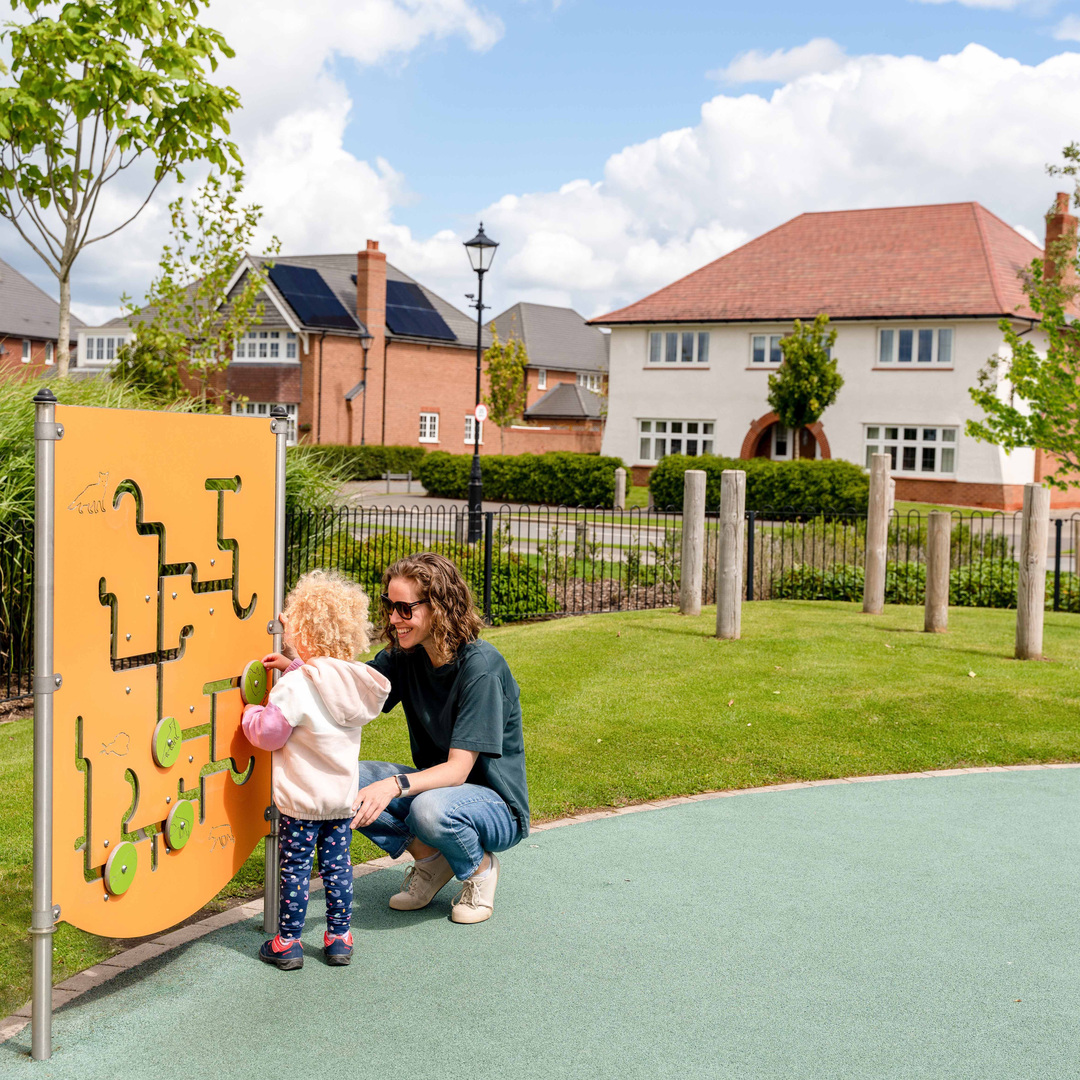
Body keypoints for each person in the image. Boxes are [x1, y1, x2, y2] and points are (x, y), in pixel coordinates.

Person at [351, 552, 529, 925]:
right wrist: (301, 666)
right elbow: (351, 690)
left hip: (495, 807)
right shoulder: (406, 654)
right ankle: (432, 863)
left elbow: (458, 771)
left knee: (428, 809)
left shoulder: (481, 669)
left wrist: (394, 786)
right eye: (389, 605)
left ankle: (480, 869)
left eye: (404, 608)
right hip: (438, 793)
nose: (393, 619)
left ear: (439, 608)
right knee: (346, 779)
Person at [242, 569, 390, 970]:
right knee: (337, 868)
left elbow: (271, 734)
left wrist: (252, 714)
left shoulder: (295, 688)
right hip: (340, 801)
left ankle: (287, 943)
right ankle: (339, 937)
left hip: (302, 803)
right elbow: (321, 688)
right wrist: (293, 666)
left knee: (295, 870)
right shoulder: (351, 681)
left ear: (304, 631)